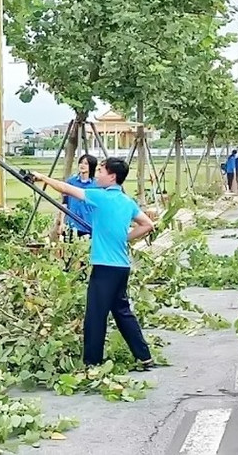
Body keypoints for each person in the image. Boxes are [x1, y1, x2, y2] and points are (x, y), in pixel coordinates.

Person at [32, 157, 156, 369]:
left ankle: (92, 363)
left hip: (104, 267)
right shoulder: (127, 202)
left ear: (112, 177)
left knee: (95, 315)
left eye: (101, 171)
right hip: (122, 267)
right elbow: (147, 224)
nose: (97, 175)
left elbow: (65, 188)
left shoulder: (100, 196)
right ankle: (145, 357)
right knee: (122, 312)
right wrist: (123, 238)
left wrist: (41, 177)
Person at [56, 154, 98, 241]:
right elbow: (65, 203)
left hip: (88, 225)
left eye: (86, 163)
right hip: (71, 224)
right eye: (81, 162)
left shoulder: (96, 185)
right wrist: (62, 222)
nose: (82, 165)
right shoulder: (71, 182)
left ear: (92, 166)